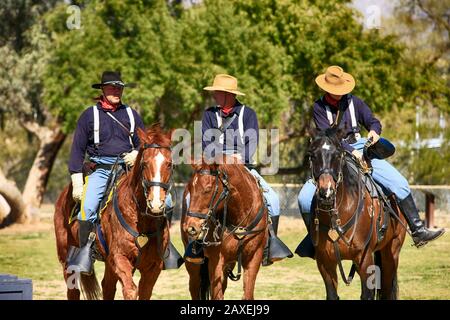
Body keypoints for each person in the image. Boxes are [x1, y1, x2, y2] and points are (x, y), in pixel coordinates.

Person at [296, 65, 445, 258]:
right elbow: (328, 137)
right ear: (325, 89)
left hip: (361, 148)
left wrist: (374, 132)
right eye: (333, 91)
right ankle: (315, 241)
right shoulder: (318, 107)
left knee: (400, 183)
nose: (337, 95)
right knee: (304, 198)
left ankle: (418, 230)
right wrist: (349, 151)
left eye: (339, 91)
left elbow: (373, 121)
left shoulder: (355, 102)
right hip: (331, 154)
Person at [67, 71, 174, 273]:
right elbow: (77, 150)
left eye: (119, 87)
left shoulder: (132, 115)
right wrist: (77, 180)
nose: (116, 91)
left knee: (166, 202)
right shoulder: (89, 116)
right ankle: (85, 254)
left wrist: (136, 153)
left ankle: (165, 249)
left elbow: (145, 143)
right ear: (103, 89)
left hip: (129, 169)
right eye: (112, 87)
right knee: (87, 209)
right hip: (101, 169)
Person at [185, 74, 293, 265]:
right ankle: (196, 245)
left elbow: (252, 142)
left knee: (273, 200)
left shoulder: (247, 113)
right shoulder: (209, 114)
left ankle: (270, 244)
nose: (215, 95)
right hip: (214, 164)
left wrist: (239, 159)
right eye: (215, 92)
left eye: (218, 92)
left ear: (229, 95)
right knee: (189, 198)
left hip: (242, 165)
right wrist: (222, 158)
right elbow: (206, 143)